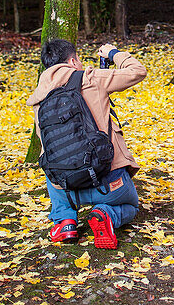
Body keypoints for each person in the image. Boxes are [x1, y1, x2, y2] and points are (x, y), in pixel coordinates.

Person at [26, 40, 147, 249]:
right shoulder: (91, 78)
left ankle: (65, 222)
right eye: (79, 60)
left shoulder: (38, 98)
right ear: (73, 61)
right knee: (131, 206)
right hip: (107, 184)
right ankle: (105, 214)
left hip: (66, 188)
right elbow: (137, 71)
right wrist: (113, 53)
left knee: (50, 154)